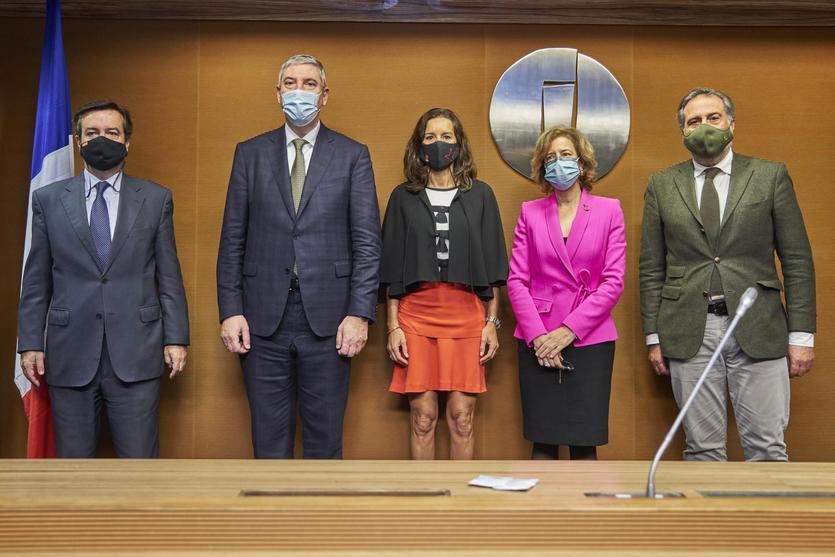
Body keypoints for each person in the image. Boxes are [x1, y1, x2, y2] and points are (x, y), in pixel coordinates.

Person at [217, 54, 381, 459]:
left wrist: (360, 314)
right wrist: (230, 310)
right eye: (290, 83)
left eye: (309, 84)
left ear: (324, 96)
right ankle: (272, 524)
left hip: (330, 320)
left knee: (325, 443)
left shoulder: (352, 155)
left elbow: (367, 243)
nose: (299, 92)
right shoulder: (249, 154)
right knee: (268, 444)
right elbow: (232, 239)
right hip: (261, 320)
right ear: (277, 93)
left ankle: (322, 523)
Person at [639, 87, 816, 461]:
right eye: (694, 121)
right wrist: (654, 336)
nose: (705, 126)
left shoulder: (770, 176)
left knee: (767, 448)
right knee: (702, 450)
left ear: (731, 123)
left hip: (760, 326)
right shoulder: (661, 185)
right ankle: (710, 523)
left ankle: (769, 523)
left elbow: (797, 260)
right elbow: (652, 268)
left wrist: (802, 335)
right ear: (683, 132)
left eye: (713, 118)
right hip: (688, 329)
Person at [17, 100, 190, 458]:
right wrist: (30, 342)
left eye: (112, 133)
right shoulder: (48, 200)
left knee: (140, 465)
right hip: (69, 352)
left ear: (127, 142)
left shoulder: (156, 199)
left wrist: (176, 338)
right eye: (92, 133)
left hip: (137, 351)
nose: (102, 140)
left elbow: (169, 275)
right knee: (74, 470)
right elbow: (36, 279)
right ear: (78, 142)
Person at [381, 107, 508, 460]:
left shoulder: (481, 196)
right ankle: (424, 506)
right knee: (423, 417)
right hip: (415, 316)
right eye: (431, 137)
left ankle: (460, 509)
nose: (439, 143)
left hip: (466, 316)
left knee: (462, 418)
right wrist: (393, 328)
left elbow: (494, 269)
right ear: (419, 146)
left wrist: (491, 324)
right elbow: (390, 271)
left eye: (446, 136)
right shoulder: (402, 198)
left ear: (459, 143)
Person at [507, 126, 625, 460]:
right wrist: (539, 337)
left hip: (590, 340)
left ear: (583, 163)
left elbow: (613, 281)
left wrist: (567, 331)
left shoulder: (608, 210)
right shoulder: (530, 212)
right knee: (542, 443)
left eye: (566, 155)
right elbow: (516, 280)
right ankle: (539, 514)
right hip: (538, 339)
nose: (558, 163)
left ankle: (584, 514)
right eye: (550, 158)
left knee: (583, 442)